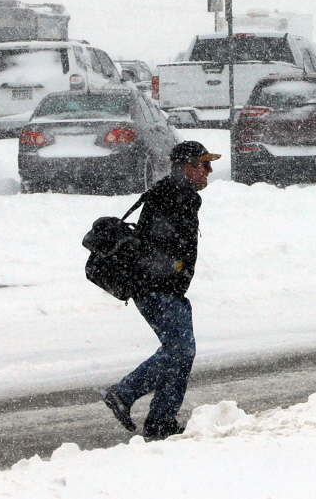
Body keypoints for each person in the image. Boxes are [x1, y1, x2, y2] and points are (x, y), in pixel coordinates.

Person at [100, 140, 219, 441]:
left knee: (181, 353)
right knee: (180, 350)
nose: (209, 170)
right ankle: (124, 394)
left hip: (164, 287)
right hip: (156, 288)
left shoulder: (174, 192)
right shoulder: (173, 195)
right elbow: (157, 246)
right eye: (204, 164)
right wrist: (178, 268)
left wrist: (178, 271)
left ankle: (161, 421)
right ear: (188, 166)